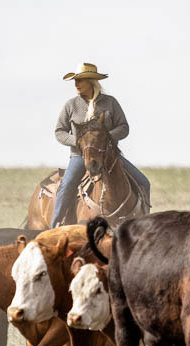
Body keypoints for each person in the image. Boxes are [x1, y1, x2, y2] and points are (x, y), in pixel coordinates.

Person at [51, 63, 151, 227]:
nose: (76, 84)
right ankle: (54, 226)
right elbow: (59, 132)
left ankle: (145, 225)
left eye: (80, 80)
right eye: (75, 81)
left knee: (144, 182)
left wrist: (106, 138)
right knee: (66, 185)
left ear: (91, 81)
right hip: (80, 156)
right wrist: (77, 141)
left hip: (109, 155)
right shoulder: (71, 105)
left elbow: (123, 127)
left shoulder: (110, 103)